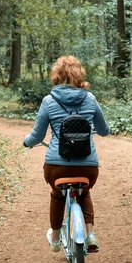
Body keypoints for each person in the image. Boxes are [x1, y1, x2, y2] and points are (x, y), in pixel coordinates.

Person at [23, 56, 110, 253]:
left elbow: (36, 136)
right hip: (88, 167)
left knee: (57, 194)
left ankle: (55, 238)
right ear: (79, 74)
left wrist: (26, 141)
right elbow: (104, 130)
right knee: (84, 192)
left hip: (57, 166)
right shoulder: (90, 98)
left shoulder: (48, 101)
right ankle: (90, 234)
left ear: (57, 75)